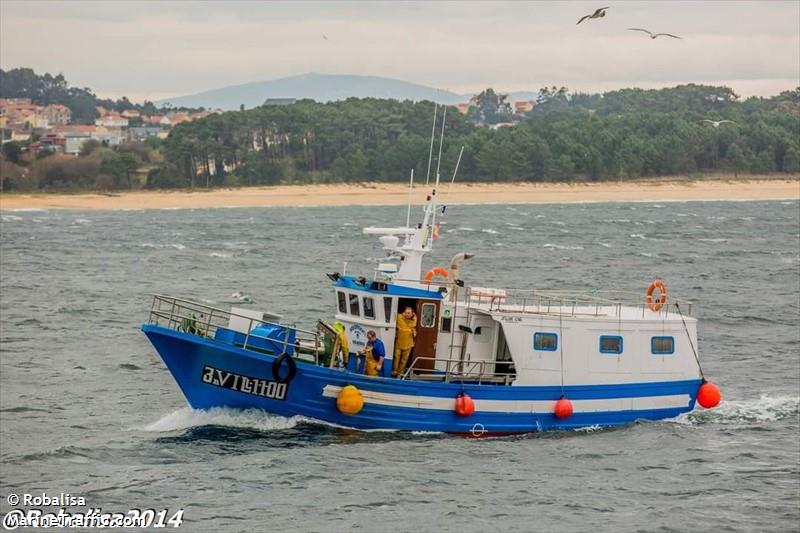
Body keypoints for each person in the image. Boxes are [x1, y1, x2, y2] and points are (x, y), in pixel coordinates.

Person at [392, 306, 417, 377]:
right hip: (399, 342)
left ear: (412, 314)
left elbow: (414, 330)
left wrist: (414, 332)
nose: (407, 314)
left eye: (409, 313)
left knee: (404, 360)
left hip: (408, 344)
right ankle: (394, 371)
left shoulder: (414, 321)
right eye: (406, 312)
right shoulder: (399, 317)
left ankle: (400, 373)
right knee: (396, 357)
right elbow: (393, 315)